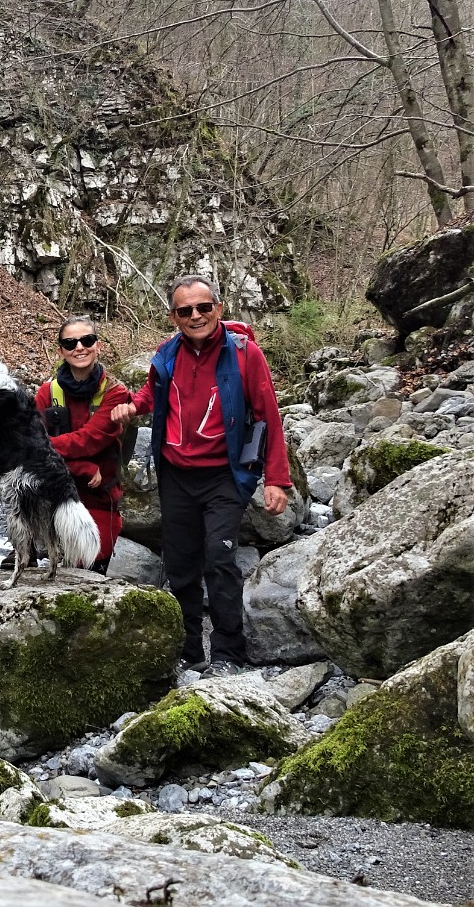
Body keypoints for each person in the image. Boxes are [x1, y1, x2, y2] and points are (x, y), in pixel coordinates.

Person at [111, 274, 291, 678]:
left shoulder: (245, 353)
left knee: (220, 556)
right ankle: (190, 649)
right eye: (186, 310)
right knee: (180, 561)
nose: (196, 316)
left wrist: (277, 479)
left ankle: (229, 652)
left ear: (219, 309)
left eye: (203, 307)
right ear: (174, 316)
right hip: (176, 474)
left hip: (225, 475)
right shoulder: (167, 352)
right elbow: (152, 395)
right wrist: (130, 407)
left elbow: (268, 415)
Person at [34, 316, 131, 574]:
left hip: (99, 501)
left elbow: (90, 439)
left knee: (89, 576)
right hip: (52, 500)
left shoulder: (116, 394)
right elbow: (30, 447)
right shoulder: (46, 394)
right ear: (61, 351)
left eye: (87, 340)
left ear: (98, 346)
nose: (79, 347)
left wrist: (48, 448)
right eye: (70, 342)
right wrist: (81, 467)